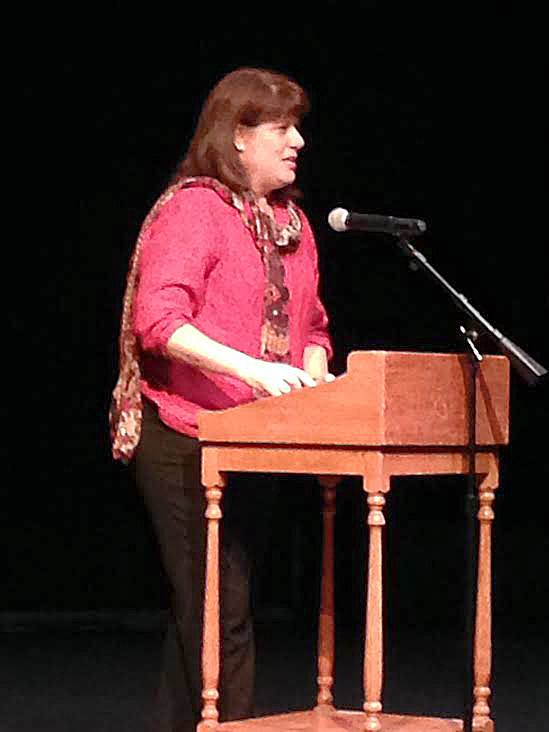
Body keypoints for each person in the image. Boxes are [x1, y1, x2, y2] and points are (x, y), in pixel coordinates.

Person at [109, 66, 334, 732]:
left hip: (255, 439)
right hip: (183, 434)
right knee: (219, 609)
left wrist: (313, 374)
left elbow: (312, 323)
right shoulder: (195, 209)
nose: (296, 141)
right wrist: (254, 371)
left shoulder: (293, 224)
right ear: (237, 136)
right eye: (280, 128)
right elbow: (159, 319)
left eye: (298, 128)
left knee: (208, 611)